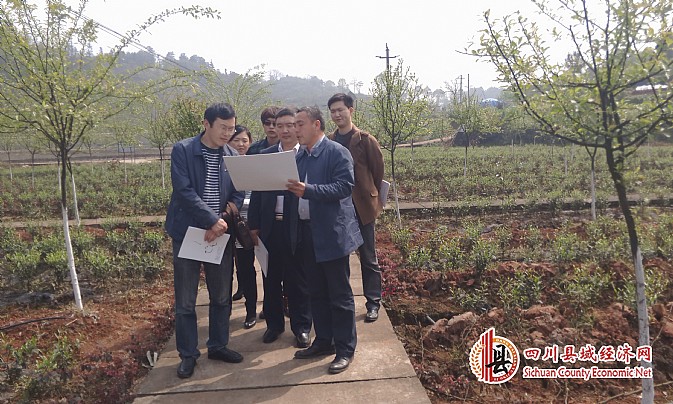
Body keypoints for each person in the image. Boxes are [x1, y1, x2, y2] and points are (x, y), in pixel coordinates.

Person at [165, 102, 244, 379]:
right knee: (186, 300)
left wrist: (220, 221)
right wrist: (211, 221)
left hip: (219, 233)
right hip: (188, 233)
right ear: (206, 124)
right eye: (223, 128)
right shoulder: (183, 150)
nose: (227, 134)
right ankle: (188, 354)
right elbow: (184, 191)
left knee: (221, 295)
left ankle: (218, 345)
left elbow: (238, 193)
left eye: (231, 128)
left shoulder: (232, 155)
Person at [287, 106, 363, 374]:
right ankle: (324, 341)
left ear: (316, 125)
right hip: (306, 233)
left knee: (339, 295)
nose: (295, 129)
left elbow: (344, 186)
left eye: (300, 124)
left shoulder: (336, 152)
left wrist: (309, 190)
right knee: (316, 292)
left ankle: (345, 349)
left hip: (332, 233)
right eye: (294, 124)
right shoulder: (299, 156)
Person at [248, 107, 312, 348]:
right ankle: (274, 325)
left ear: (297, 127)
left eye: (290, 125)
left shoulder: (305, 154)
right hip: (270, 227)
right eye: (280, 125)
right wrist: (254, 225)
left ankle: (302, 326)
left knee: (298, 279)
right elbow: (256, 192)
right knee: (271, 277)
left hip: (296, 226)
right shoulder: (266, 155)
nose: (285, 130)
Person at [327, 93, 385, 323]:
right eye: (333, 111)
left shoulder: (365, 140)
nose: (337, 114)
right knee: (340, 259)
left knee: (368, 257)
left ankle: (373, 303)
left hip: (363, 208)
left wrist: (371, 197)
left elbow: (377, 172)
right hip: (338, 210)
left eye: (340, 110)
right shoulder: (330, 141)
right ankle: (343, 303)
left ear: (351, 110)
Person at [228, 125, 258, 329]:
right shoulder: (224, 166)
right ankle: (226, 310)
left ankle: (251, 310)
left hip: (251, 226)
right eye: (236, 140)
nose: (240, 144)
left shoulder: (255, 165)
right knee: (230, 269)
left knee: (249, 268)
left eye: (244, 140)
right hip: (228, 224)